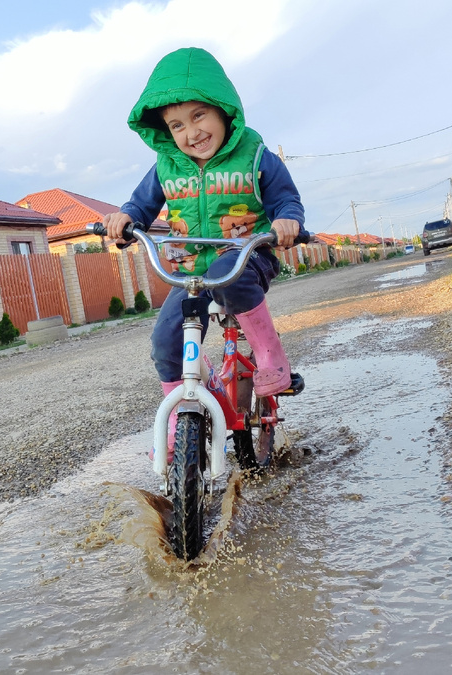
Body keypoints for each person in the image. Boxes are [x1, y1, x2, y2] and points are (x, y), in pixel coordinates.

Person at [103, 47, 306, 455]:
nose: (191, 133)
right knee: (165, 342)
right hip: (191, 269)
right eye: (177, 125)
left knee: (226, 277)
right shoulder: (166, 165)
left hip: (246, 257)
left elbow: (286, 200)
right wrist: (125, 220)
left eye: (199, 116)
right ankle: (180, 418)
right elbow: (140, 206)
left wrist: (287, 221)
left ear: (223, 111)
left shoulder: (255, 156)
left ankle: (270, 355)